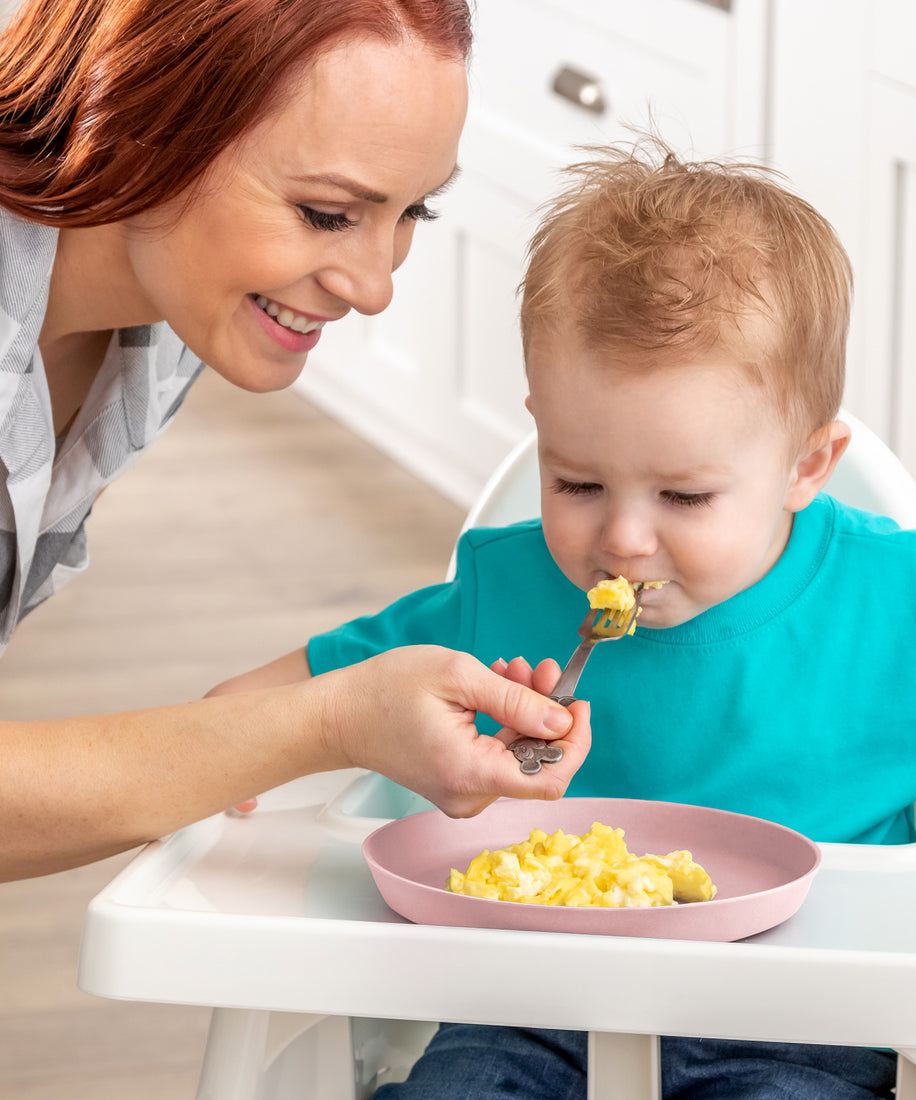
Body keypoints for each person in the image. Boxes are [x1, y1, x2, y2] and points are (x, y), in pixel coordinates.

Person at [209, 135, 916, 1098]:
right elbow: (327, 688)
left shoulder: (899, 606)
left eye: (684, 497)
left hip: (806, 1024)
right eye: (577, 480)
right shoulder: (502, 592)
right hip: (528, 1008)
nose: (622, 541)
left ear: (806, 466)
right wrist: (223, 738)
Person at [0, 0, 592, 884]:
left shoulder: (165, 323)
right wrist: (331, 722)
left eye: (412, 214)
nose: (374, 285)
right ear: (137, 122)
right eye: (325, 213)